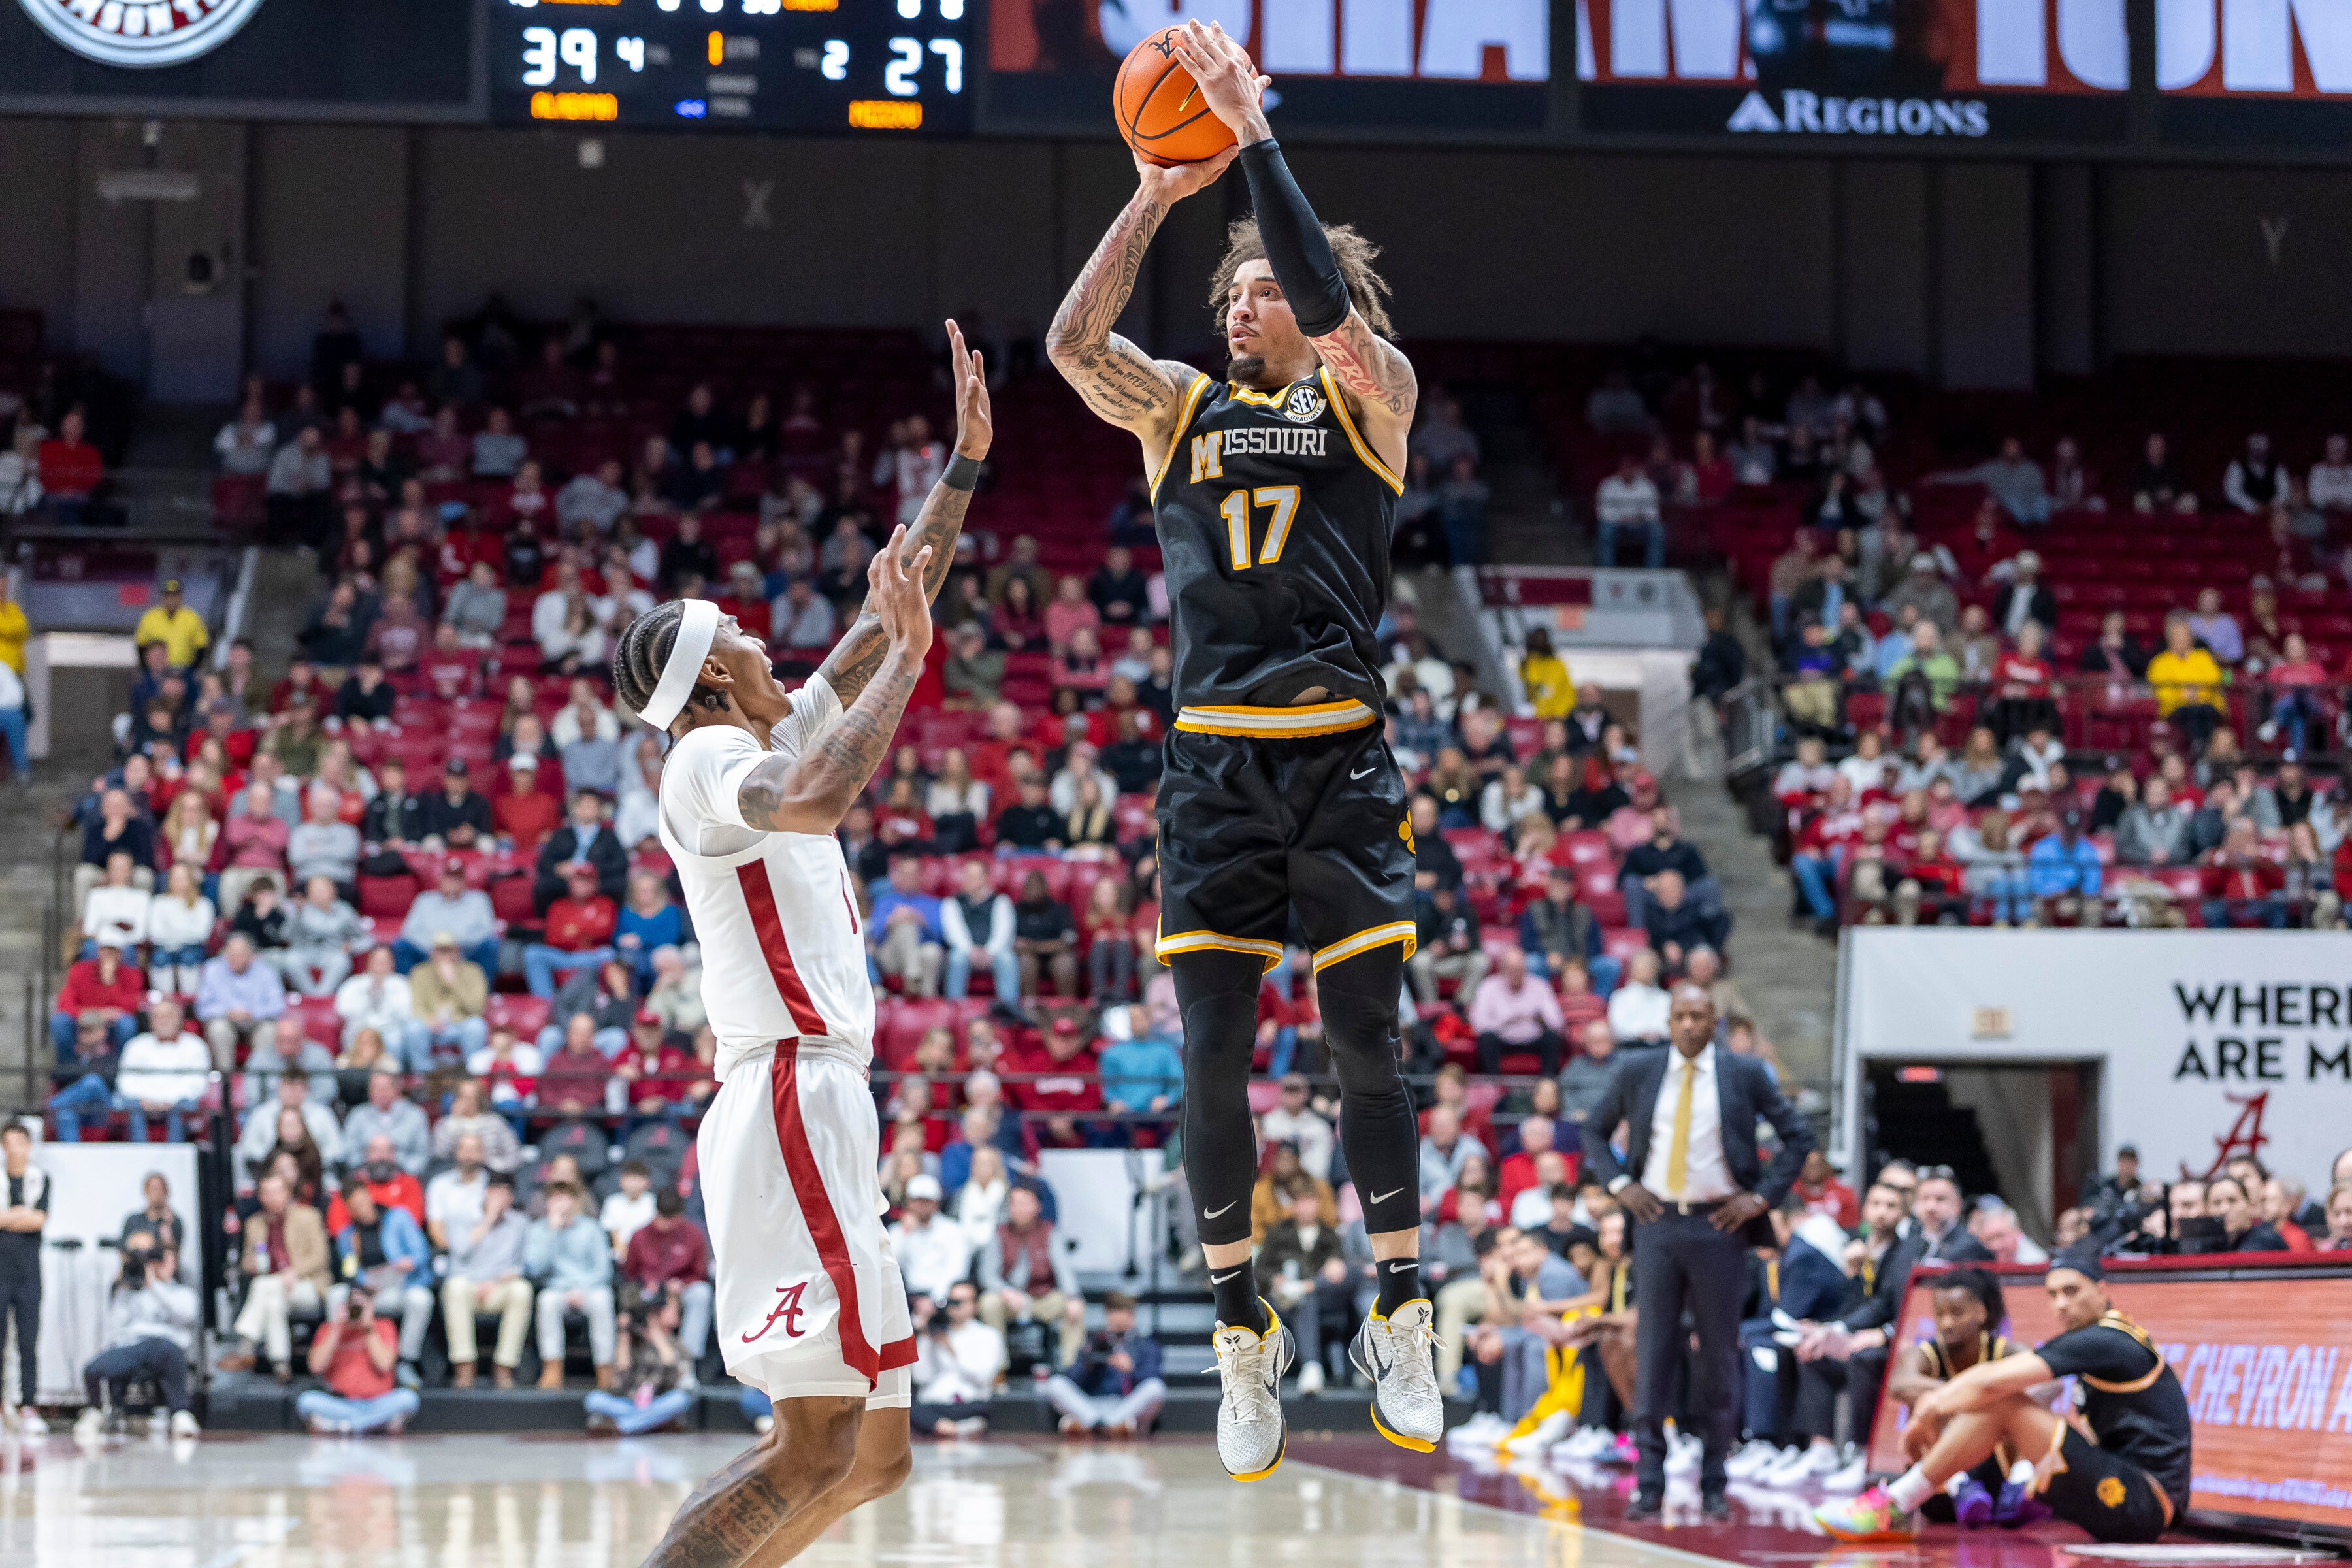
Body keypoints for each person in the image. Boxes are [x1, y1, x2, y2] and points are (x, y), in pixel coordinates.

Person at [1047, 21, 1437, 1478]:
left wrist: (1251, 135)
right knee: (1211, 1058)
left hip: (1338, 757)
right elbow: (1072, 347)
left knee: (1363, 1049)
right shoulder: (1181, 410)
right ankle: (1238, 1333)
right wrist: (1157, 187)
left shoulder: (1366, 393)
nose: (1243, 309)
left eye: (1263, 290)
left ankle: (1400, 1304)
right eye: (1232, 296)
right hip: (1213, 766)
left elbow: (1333, 301)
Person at [605, 323, 987, 1568]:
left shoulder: (751, 735)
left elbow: (885, 615)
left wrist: (964, 468)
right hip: (784, 1091)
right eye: (743, 646)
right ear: (712, 685)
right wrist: (913, 661)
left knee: (874, 1456)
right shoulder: (713, 758)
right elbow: (821, 793)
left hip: (816, 1095)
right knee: (816, 1445)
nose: (771, 649)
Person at [1580, 983, 1814, 1520]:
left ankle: (1714, 1482)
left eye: (1699, 1016)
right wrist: (1621, 1185)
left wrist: (1760, 1200)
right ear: (1668, 1021)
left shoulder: (1745, 1073)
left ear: (1715, 1023)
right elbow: (1594, 1131)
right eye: (1680, 1016)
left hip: (1720, 1226)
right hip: (1656, 1222)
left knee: (1717, 1362)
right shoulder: (1639, 1070)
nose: (1689, 1024)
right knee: (1653, 1352)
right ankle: (1649, 1482)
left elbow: (1798, 1136)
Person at [1819, 1252, 2192, 1545]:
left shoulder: (2107, 1339)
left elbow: (1993, 1385)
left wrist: (1932, 1406)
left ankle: (1898, 1503)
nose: (2060, 1304)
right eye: (2052, 1295)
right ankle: (1950, 1490)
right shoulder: (2098, 1340)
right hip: (2124, 1486)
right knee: (1999, 1400)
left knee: (2002, 1401)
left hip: (2143, 1502)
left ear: (2102, 1291)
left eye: (2072, 1291)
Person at [73, 1239, 201, 1439]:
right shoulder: (131, 1290)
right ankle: (94, 1412)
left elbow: (185, 1315)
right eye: (158, 1261)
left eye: (167, 1260)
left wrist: (155, 1285)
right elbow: (116, 1324)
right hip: (131, 1345)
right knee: (93, 1369)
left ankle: (180, 1413)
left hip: (164, 1344)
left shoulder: (182, 1293)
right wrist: (120, 1286)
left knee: (172, 1354)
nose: (163, 1265)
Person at [221, 1171, 333, 1383]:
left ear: (288, 1193)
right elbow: (246, 1261)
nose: (273, 1198)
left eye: (277, 1192)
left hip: (307, 1285)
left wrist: (295, 1272)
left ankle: (245, 1347)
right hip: (274, 1288)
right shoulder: (254, 1223)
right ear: (260, 1196)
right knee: (272, 1303)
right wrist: (251, 1263)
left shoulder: (309, 1216)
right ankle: (281, 1366)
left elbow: (320, 1256)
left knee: (262, 1286)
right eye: (267, 1193)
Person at [330, 1179, 434, 1386]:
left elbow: (421, 1252)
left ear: (369, 1196)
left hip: (401, 1285)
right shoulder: (348, 1236)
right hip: (371, 1292)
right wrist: (362, 1285)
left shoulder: (398, 1217)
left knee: (421, 1299)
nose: (361, 1209)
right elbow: (349, 1271)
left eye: (362, 1201)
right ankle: (339, 1360)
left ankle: (406, 1359)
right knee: (335, 1295)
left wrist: (408, 1262)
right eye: (354, 1206)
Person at [442, 1171, 533, 1388]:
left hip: (500, 1286)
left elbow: (527, 1265)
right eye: (495, 1192)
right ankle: (465, 1367)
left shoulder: (520, 1223)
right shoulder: (462, 1219)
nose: (500, 1198)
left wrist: (496, 1281)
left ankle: (504, 1367)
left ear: (511, 1199)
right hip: (469, 1286)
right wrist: (488, 1219)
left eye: (505, 1193)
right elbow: (459, 1252)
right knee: (454, 1287)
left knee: (523, 1290)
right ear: (484, 1193)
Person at [294, 1284, 419, 1436]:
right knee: (306, 1401)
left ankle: (345, 1426)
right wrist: (337, 1329)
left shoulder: (384, 1326)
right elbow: (316, 1367)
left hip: (377, 1403)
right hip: (340, 1403)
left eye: (360, 1306)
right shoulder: (329, 1329)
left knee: (408, 1399)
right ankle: (372, 1425)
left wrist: (369, 1329)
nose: (356, 1311)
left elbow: (385, 1365)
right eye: (352, 1305)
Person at [526, 1180, 617, 1388]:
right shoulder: (538, 1230)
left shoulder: (592, 1228)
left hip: (589, 1288)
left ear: (576, 1203)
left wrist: (580, 1289)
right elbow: (535, 1269)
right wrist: (552, 1232)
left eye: (565, 1198)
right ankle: (552, 1369)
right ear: (547, 1203)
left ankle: (605, 1371)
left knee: (603, 1300)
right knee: (546, 1301)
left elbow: (604, 1270)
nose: (560, 1204)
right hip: (557, 1289)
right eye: (555, 1199)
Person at [1043, 1292, 1168, 1435]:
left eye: (1124, 1312)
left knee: (1156, 1388)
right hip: (1091, 1404)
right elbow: (1074, 1379)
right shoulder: (1093, 1341)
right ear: (1107, 1315)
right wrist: (1088, 1362)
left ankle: (1096, 1425)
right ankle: (1106, 1425)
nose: (1119, 1319)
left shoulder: (1146, 1345)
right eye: (1114, 1312)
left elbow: (1154, 1378)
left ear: (1132, 1316)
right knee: (1055, 1384)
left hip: (1126, 1406)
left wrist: (1131, 1369)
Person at [0, 1124, 46, 1433]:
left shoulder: (40, 1179)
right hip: (1, 1273)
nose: (14, 1148)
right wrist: (22, 1214)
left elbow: (39, 1219)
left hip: (29, 1275)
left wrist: (8, 1218)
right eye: (8, 1143)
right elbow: (25, 1217)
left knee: (28, 1344)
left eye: (19, 1142)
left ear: (29, 1145)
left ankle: (28, 1404)